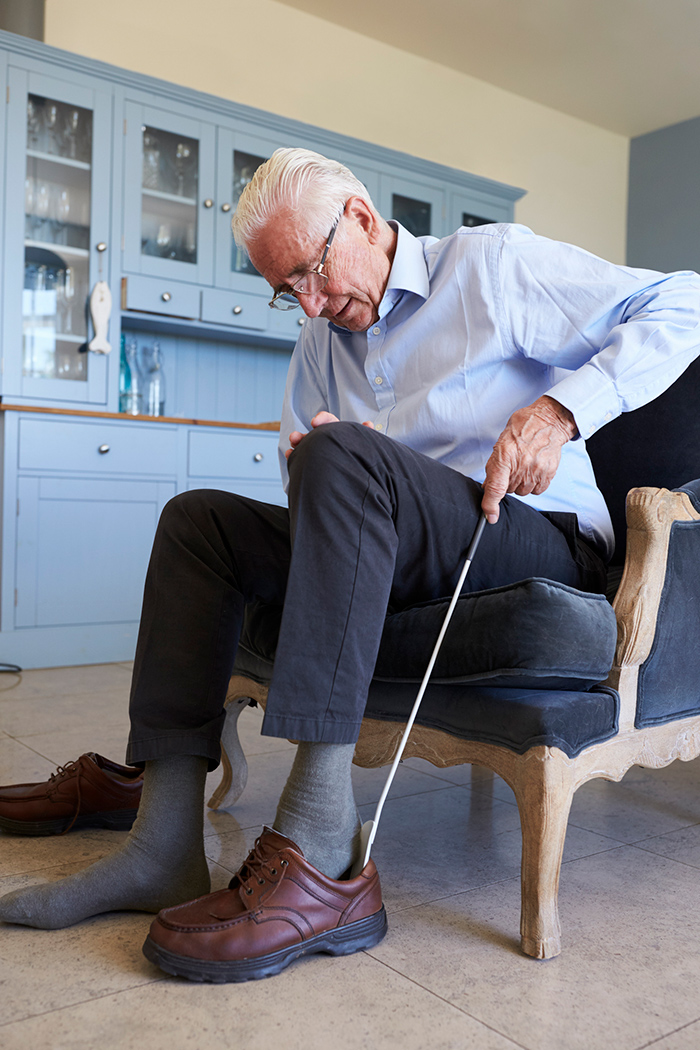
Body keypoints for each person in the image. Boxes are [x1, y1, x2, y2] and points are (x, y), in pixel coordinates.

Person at [1, 148, 699, 984]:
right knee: (199, 525)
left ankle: (320, 852)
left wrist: (560, 410)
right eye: (284, 289)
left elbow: (684, 302)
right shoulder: (320, 341)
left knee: (345, 455)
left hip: (526, 535)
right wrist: (315, 468)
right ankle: (162, 844)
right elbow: (318, 490)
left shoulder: (490, 266)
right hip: (397, 545)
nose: (309, 304)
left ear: (363, 220)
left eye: (311, 272)